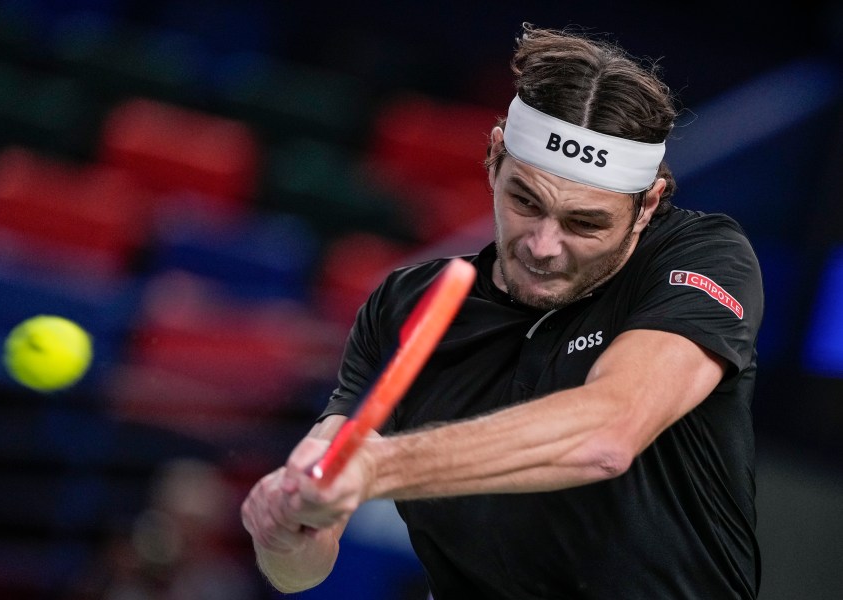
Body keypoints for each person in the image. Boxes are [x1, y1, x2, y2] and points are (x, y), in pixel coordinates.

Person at [241, 24, 763, 599]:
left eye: (584, 224)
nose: (542, 246)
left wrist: (377, 469)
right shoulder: (405, 304)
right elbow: (304, 566)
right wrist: (283, 535)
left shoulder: (702, 258)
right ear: (493, 157)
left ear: (648, 206)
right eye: (524, 201)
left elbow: (608, 432)